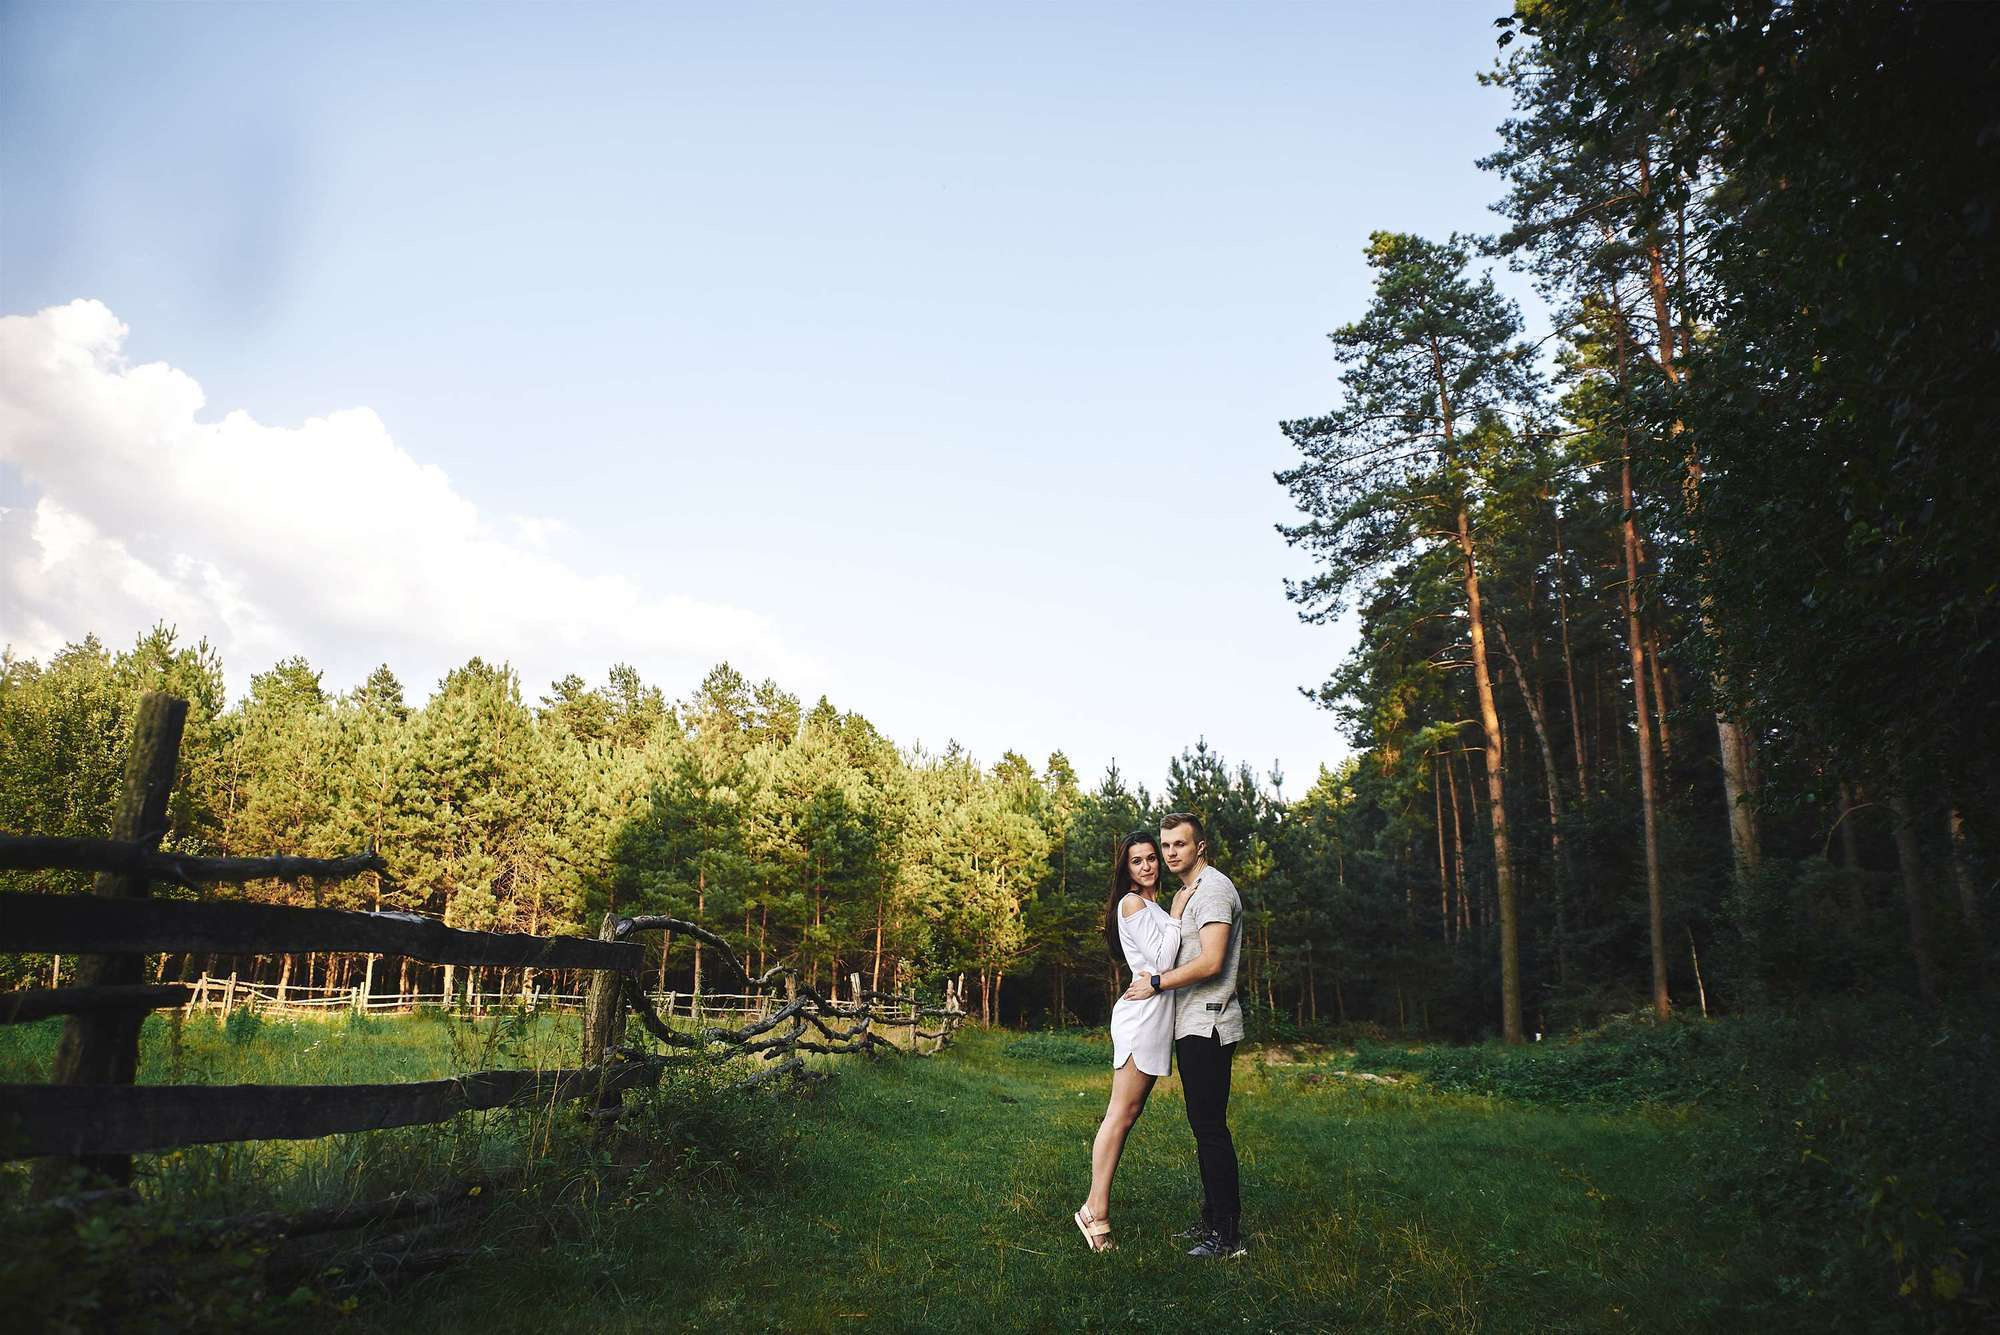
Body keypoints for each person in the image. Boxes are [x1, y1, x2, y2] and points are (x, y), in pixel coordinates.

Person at [1123, 811, 1245, 1258]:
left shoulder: (1212, 890)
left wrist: (1156, 982)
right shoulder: (1188, 892)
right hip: (1192, 1021)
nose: (1171, 853)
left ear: (1201, 847)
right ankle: (1212, 1222)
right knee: (1204, 1125)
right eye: (1166, 845)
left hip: (1208, 1022)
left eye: (1180, 845)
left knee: (1210, 1128)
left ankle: (1226, 1237)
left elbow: (1212, 962)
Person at [1074, 830, 1178, 1252]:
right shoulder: (1133, 903)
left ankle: (1094, 1209)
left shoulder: (1152, 904)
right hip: (1141, 1018)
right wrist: (1181, 911)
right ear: (1126, 869)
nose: (1149, 866)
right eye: (1138, 861)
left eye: (1152, 858)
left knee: (1128, 1114)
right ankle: (1093, 1213)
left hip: (1156, 1016)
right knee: (1119, 1114)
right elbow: (1162, 962)